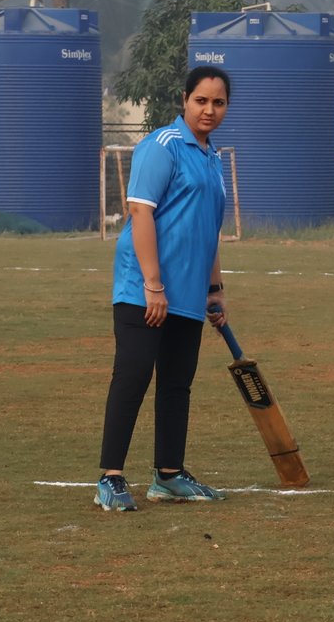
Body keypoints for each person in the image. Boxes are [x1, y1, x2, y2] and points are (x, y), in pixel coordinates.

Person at [94, 66, 233, 511]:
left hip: (188, 294)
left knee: (177, 384)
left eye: (218, 102)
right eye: (201, 100)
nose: (209, 110)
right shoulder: (162, 145)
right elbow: (141, 213)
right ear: (184, 100)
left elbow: (209, 230)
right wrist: (153, 285)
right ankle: (110, 478)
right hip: (144, 288)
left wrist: (214, 289)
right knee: (133, 377)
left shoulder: (213, 160)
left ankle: (169, 475)